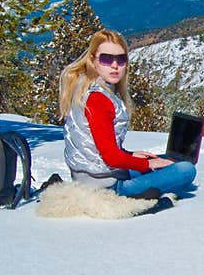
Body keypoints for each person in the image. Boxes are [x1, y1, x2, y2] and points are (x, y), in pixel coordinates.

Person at [58, 29, 196, 199]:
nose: (115, 65)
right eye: (107, 59)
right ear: (94, 60)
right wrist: (147, 164)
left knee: (167, 162)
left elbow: (100, 149)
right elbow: (111, 158)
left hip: (94, 176)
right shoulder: (98, 99)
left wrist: (131, 156)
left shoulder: (91, 89)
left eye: (121, 59)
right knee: (186, 170)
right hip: (105, 187)